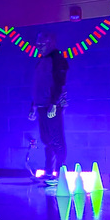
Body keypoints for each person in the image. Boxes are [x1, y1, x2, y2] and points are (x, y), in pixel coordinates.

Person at [29, 32, 69, 179]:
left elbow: (59, 83)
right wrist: (33, 106)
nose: (39, 47)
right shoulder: (41, 62)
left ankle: (60, 173)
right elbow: (38, 85)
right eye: (37, 44)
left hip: (52, 105)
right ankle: (48, 171)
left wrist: (54, 103)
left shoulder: (57, 59)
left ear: (51, 43)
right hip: (41, 105)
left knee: (57, 140)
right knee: (47, 140)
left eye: (42, 44)